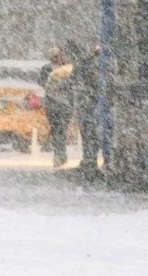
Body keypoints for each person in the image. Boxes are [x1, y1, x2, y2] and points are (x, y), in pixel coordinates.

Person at [68, 41, 103, 178]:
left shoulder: (84, 63)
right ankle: (90, 162)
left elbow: (73, 81)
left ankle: (89, 161)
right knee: (91, 136)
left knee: (89, 136)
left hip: (88, 105)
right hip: (92, 106)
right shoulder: (95, 64)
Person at [43, 47, 73, 167]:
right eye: (53, 56)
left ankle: (61, 154)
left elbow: (73, 86)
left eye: (58, 55)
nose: (56, 58)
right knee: (56, 130)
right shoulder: (46, 69)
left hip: (65, 105)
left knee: (62, 129)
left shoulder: (69, 69)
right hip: (52, 104)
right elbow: (42, 82)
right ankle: (58, 154)